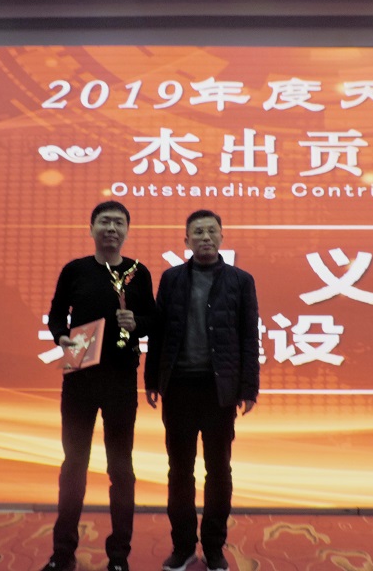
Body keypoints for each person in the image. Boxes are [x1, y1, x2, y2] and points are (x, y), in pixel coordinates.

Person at [41, 201, 155, 571]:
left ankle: (119, 556)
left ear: (127, 231)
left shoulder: (139, 273)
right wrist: (61, 337)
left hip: (121, 379)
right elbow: (56, 315)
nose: (111, 228)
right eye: (104, 222)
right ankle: (62, 554)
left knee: (120, 468)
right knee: (74, 465)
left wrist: (137, 323)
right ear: (91, 229)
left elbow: (154, 320)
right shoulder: (75, 270)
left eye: (118, 223)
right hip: (80, 376)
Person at [145, 210, 260, 571]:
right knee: (179, 471)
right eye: (198, 232)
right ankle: (183, 547)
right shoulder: (172, 279)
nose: (205, 237)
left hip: (218, 391)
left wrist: (249, 387)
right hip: (179, 388)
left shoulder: (240, 281)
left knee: (219, 471)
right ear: (186, 240)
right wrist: (152, 380)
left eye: (212, 231)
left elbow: (248, 336)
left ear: (222, 237)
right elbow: (159, 333)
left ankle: (213, 548)